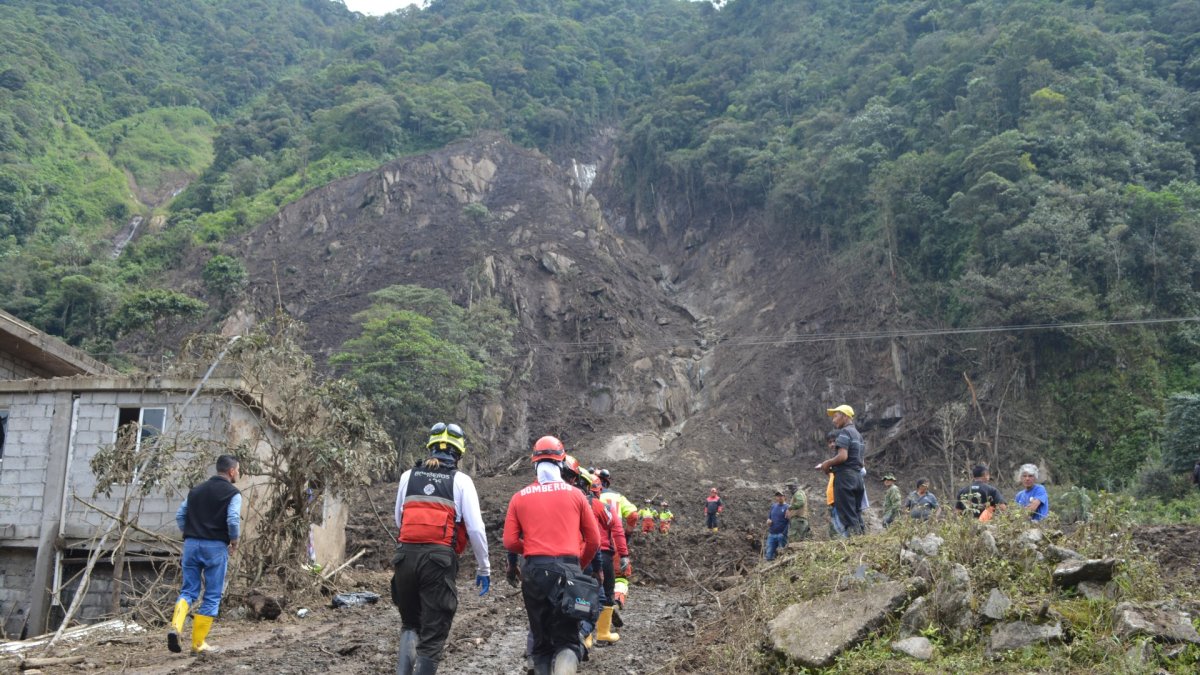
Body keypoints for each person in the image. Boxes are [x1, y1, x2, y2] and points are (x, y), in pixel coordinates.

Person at [392, 423, 490, 675]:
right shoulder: (461, 481)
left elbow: (399, 519)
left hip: (405, 556)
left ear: (430, 449)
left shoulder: (408, 476)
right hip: (438, 559)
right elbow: (476, 529)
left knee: (410, 624)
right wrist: (484, 567)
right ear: (458, 453)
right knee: (434, 632)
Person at [504, 436, 601, 675]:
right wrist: (578, 565)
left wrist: (532, 550)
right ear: (561, 462)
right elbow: (594, 541)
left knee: (541, 643)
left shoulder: (519, 497)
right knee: (568, 641)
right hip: (568, 568)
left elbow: (509, 541)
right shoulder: (577, 495)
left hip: (534, 571)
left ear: (535, 463)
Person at [167, 454, 242, 654]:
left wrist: (190, 533)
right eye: (238, 470)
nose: (239, 474)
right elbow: (233, 519)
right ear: (232, 471)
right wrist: (234, 541)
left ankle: (175, 626)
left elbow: (180, 515)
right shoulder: (233, 493)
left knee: (188, 591)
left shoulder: (196, 491)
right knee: (212, 595)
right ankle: (198, 644)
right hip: (215, 547)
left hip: (191, 545)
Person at [816, 404, 865, 536]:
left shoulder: (845, 432)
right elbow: (859, 461)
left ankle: (854, 547)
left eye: (836, 416)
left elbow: (843, 456)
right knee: (856, 515)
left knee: (848, 519)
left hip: (845, 479)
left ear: (845, 416)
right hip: (857, 478)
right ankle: (862, 543)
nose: (834, 420)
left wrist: (827, 463)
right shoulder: (858, 435)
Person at [764, 490, 790, 561]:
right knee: (768, 554)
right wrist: (768, 521)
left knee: (782, 555)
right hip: (771, 534)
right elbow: (769, 517)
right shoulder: (773, 506)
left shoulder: (788, 507)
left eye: (781, 496)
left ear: (785, 497)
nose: (779, 497)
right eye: (778, 496)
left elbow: (789, 522)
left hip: (781, 535)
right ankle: (768, 569)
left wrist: (783, 534)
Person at [784, 478, 811, 544]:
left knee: (794, 540)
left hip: (798, 520)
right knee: (800, 541)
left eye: (791, 486)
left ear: (795, 486)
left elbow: (800, 502)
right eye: (789, 487)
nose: (789, 489)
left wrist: (790, 508)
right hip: (800, 520)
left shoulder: (798, 493)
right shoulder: (800, 493)